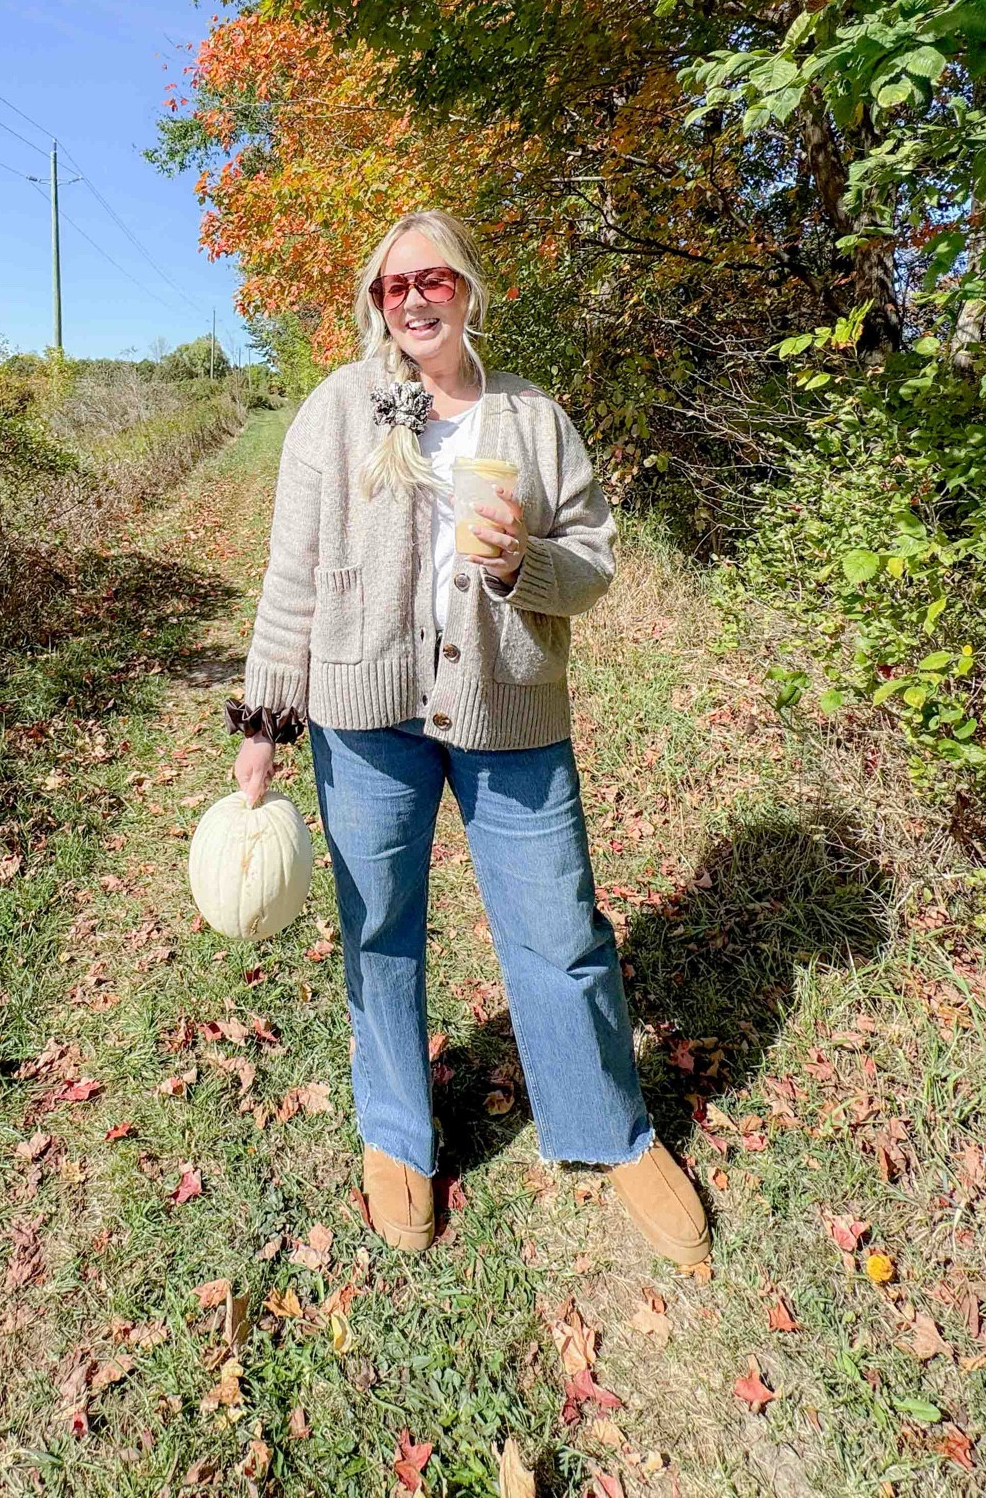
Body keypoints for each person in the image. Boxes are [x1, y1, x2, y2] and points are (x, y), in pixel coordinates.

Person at [224, 210, 709, 1264]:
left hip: (509, 707)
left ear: (468, 289)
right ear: (375, 302)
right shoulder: (335, 412)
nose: (414, 299)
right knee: (380, 926)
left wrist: (519, 566)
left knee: (559, 924)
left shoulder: (532, 417)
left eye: (432, 278)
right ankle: (396, 1131)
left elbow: (592, 561)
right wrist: (266, 722)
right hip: (364, 718)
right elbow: (292, 576)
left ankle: (609, 1128)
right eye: (394, 286)